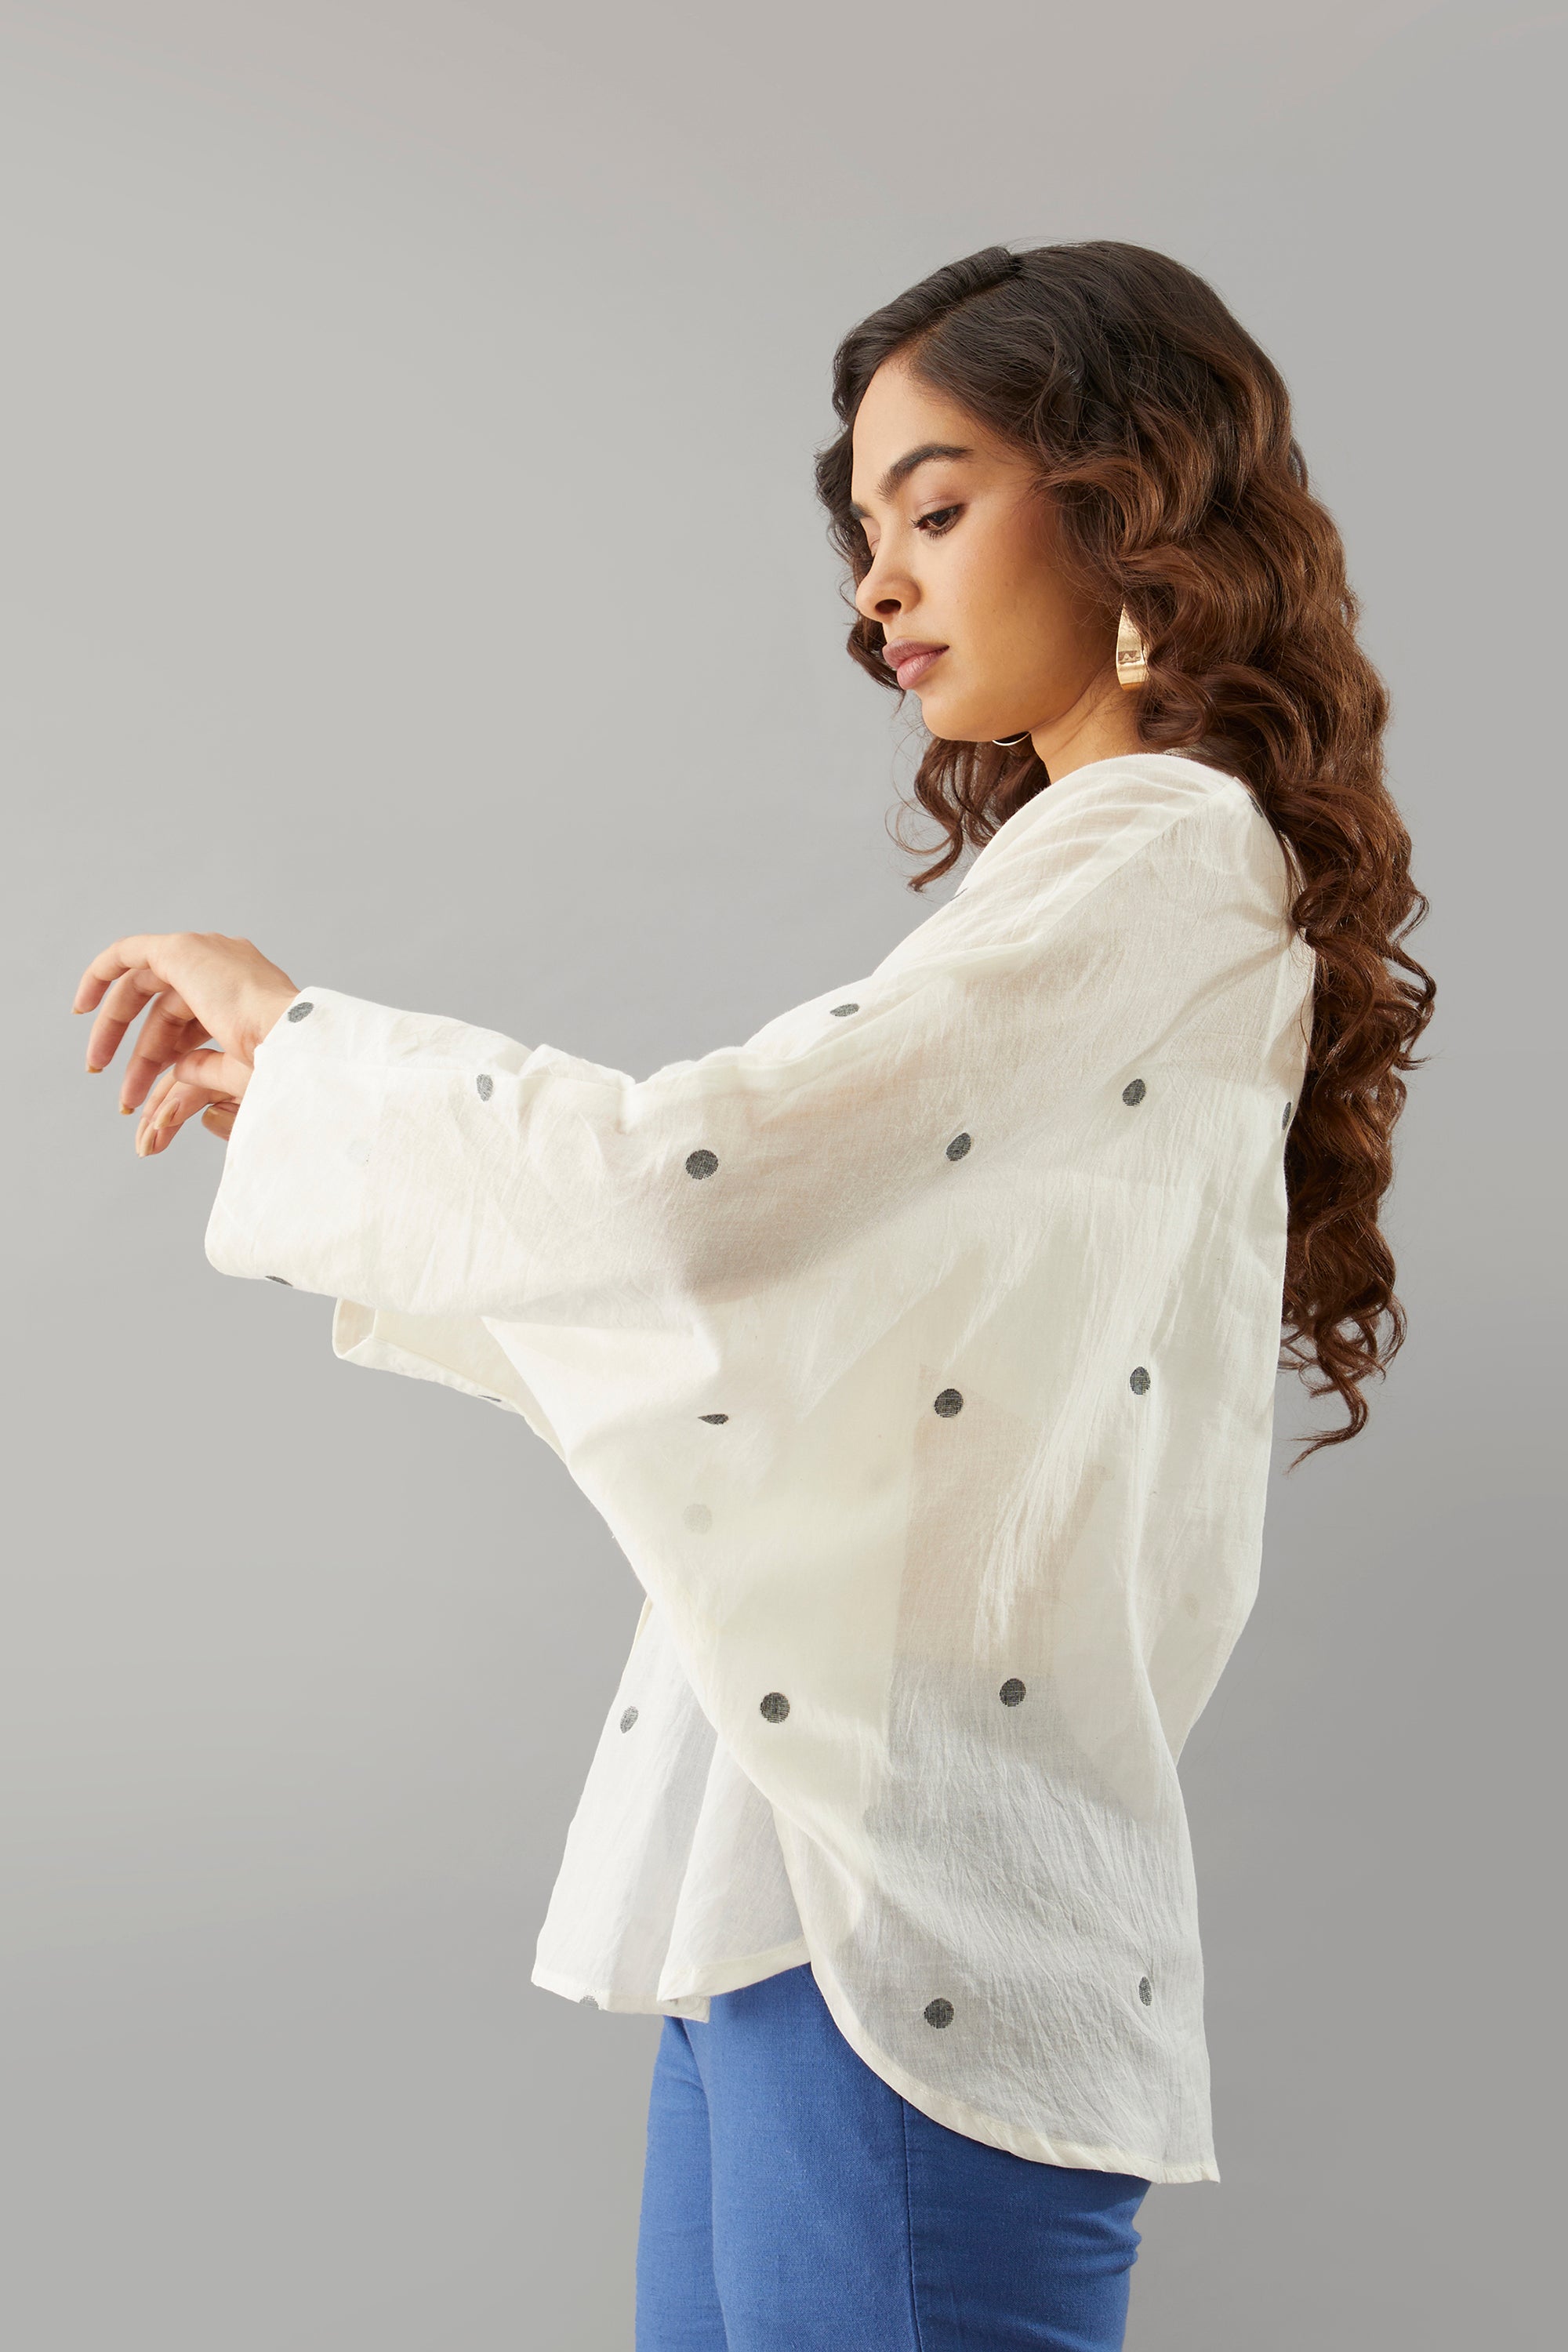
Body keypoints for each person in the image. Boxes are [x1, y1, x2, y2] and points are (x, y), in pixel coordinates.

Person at [71, 241, 1433, 2352]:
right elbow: (744, 1333)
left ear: (1130, 495)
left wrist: (320, 1049)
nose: (879, 588)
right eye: (865, 530)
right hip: (798, 1900)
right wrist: (338, 1136)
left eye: (936, 505)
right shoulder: (1096, 880)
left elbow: (687, 1197)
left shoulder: (1157, 853)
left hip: (914, 1943)